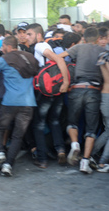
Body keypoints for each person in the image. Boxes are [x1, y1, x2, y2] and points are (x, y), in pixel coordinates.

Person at [0, 36, 39, 176]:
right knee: (18, 136)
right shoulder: (31, 57)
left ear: (8, 46)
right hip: (28, 103)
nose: (1, 49)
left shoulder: (5, 59)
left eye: (2, 46)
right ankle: (8, 165)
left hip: (10, 101)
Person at [58, 27, 105, 173]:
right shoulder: (102, 51)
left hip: (76, 88)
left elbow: (59, 56)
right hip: (94, 90)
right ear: (98, 39)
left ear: (84, 38)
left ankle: (74, 144)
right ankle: (85, 162)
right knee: (91, 129)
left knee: (72, 122)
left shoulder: (78, 47)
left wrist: (66, 78)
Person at [25, 23, 69, 169]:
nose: (27, 37)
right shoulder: (45, 46)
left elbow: (59, 60)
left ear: (38, 35)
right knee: (54, 121)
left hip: (45, 91)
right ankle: (60, 150)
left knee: (38, 124)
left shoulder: (40, 46)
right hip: (55, 90)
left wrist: (66, 81)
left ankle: (42, 159)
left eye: (29, 34)